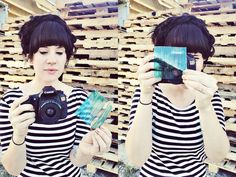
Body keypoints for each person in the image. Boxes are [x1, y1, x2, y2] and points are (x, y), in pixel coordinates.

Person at [0, 14, 112, 177]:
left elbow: (77, 160)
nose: (52, 60)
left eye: (59, 52)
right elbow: (13, 170)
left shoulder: (83, 99)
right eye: (43, 52)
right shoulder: (12, 101)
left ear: (66, 58)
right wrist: (18, 135)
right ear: (29, 56)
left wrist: (85, 150)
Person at [125, 13, 230, 177]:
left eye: (194, 57)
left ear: (204, 62)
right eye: (177, 55)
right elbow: (136, 159)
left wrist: (205, 107)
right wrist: (145, 96)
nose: (184, 64)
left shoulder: (208, 94)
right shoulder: (148, 92)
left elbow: (217, 156)